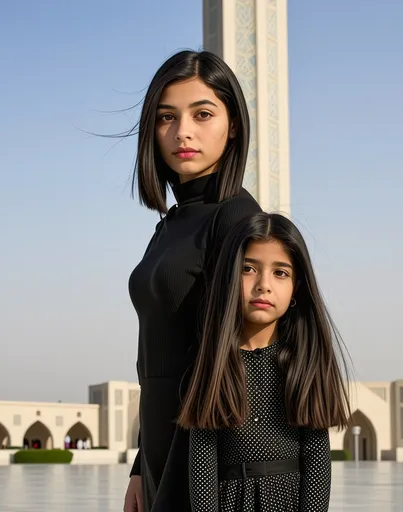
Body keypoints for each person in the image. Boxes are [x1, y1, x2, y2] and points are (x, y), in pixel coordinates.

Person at [123, 50, 262, 512]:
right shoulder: (172, 223)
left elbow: (249, 365)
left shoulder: (239, 220)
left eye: (203, 114)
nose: (182, 131)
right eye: (167, 117)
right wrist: (142, 465)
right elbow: (158, 356)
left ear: (234, 124)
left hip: (208, 457)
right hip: (163, 446)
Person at [178, 212, 352, 511]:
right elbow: (203, 464)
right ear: (229, 276)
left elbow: (316, 458)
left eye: (280, 273)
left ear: (297, 286)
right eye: (248, 268)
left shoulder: (303, 364)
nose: (264, 285)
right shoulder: (213, 367)